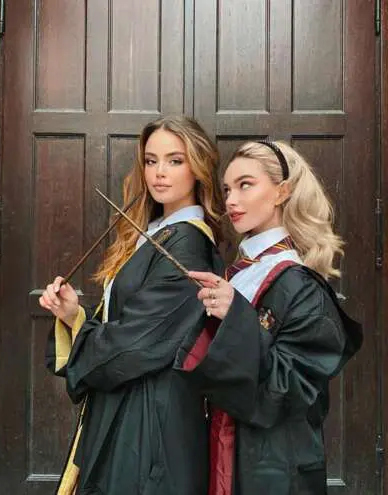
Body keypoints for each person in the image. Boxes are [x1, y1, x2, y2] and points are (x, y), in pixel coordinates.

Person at [40, 116, 224, 495]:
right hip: (129, 401)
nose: (159, 172)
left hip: (151, 418)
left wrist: (85, 343)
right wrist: (74, 315)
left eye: (175, 161)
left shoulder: (188, 245)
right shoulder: (156, 232)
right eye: (151, 160)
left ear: (198, 167)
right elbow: (129, 325)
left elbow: (138, 343)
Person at [175, 140, 362, 495]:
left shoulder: (300, 283)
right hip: (225, 453)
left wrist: (236, 317)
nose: (231, 200)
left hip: (274, 470)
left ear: (281, 192)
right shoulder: (239, 274)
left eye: (245, 185)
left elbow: (291, 389)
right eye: (227, 189)